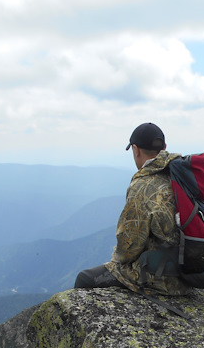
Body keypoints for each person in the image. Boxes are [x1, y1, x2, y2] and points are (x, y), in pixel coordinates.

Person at [75, 122, 190, 296]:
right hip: (188, 273)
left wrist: (116, 259)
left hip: (161, 278)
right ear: (164, 148)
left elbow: (128, 247)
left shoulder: (142, 186)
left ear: (136, 149)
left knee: (84, 279)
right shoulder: (182, 175)